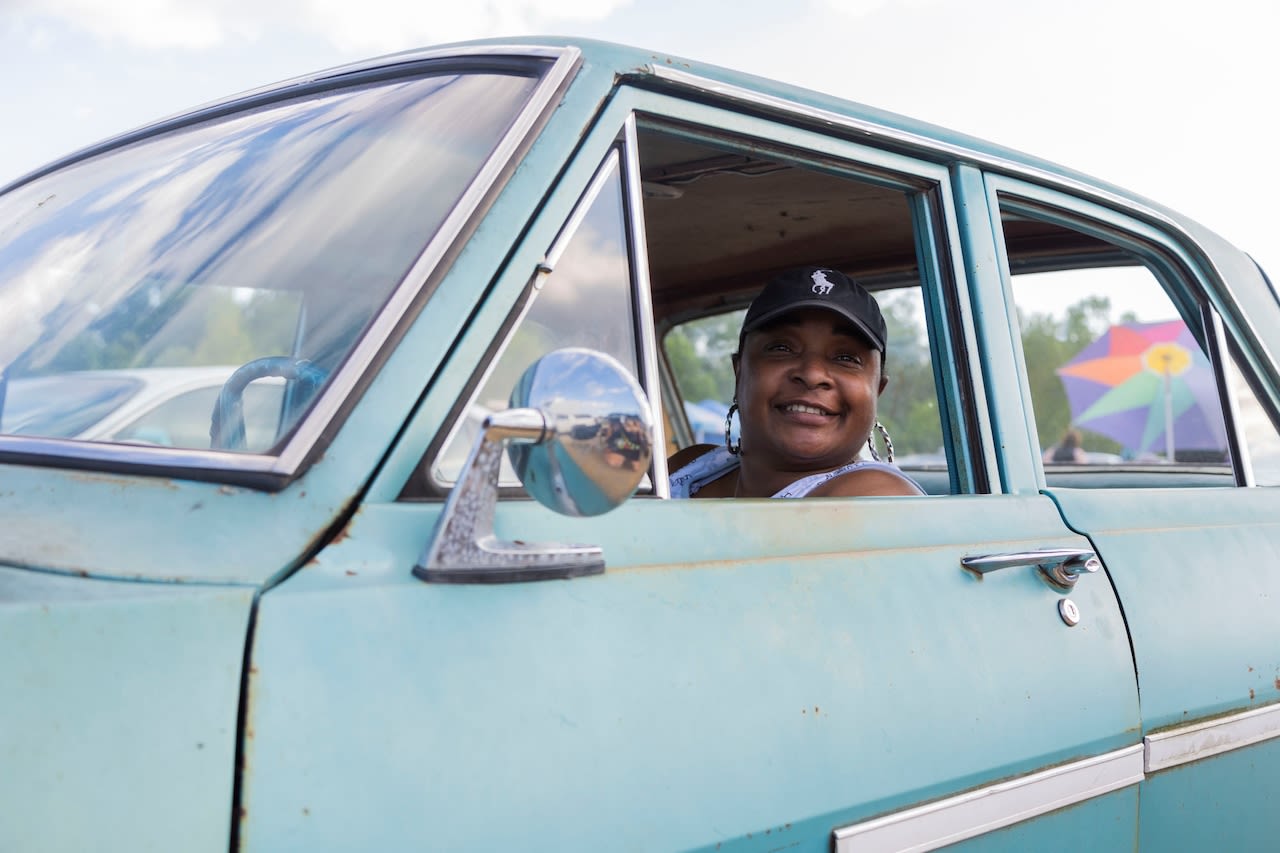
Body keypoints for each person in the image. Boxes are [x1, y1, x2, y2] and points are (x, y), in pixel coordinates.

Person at [668, 265, 925, 498]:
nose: (812, 374)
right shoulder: (692, 465)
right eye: (781, 348)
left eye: (846, 357)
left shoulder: (875, 496)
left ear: (877, 390)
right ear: (740, 373)